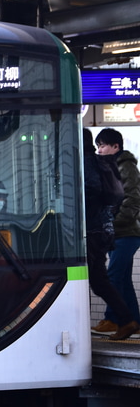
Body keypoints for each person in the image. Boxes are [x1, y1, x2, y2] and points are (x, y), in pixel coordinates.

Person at [83, 128, 139, 341]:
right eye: (98, 145)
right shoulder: (104, 164)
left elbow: (130, 199)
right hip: (107, 231)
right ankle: (128, 320)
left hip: (113, 231)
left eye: (104, 145)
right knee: (109, 279)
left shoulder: (119, 165)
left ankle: (118, 320)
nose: (101, 149)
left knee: (109, 277)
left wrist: (111, 221)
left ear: (116, 146)